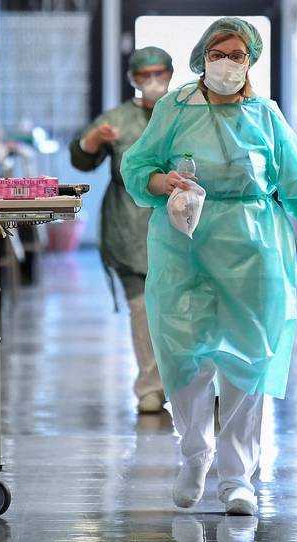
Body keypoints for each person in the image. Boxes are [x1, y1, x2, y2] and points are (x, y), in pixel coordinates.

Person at [120, 18, 297, 515]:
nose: (227, 63)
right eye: (219, 53)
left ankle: (238, 478)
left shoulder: (264, 115)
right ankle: (195, 456)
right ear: (203, 57)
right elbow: (137, 167)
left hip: (254, 247)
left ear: (251, 61)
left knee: (248, 361)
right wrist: (165, 183)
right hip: (185, 248)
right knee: (185, 355)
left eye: (238, 55)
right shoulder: (175, 108)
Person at [70, 46, 174, 414]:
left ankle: (195, 385)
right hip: (130, 227)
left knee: (186, 311)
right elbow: (81, 157)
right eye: (145, 76)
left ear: (171, 74)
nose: (153, 82)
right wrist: (95, 140)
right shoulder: (117, 119)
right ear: (133, 79)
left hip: (181, 226)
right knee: (142, 309)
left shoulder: (184, 113)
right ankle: (151, 385)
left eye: (159, 74)